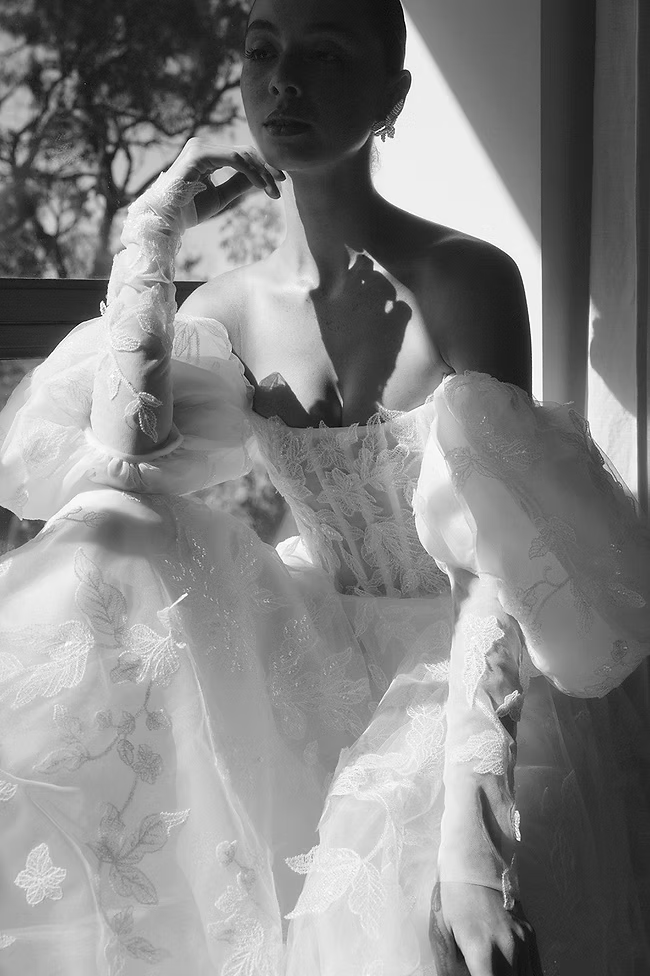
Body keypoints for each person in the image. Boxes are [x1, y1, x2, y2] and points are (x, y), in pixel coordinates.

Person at [1, 0, 649, 973]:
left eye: (323, 52)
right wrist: (151, 225)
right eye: (262, 50)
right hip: (314, 642)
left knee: (399, 898)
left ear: (391, 96)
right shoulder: (231, 306)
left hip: (458, 656)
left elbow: (494, 566)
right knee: (115, 526)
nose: (283, 78)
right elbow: (118, 455)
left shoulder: (467, 279)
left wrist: (473, 851)